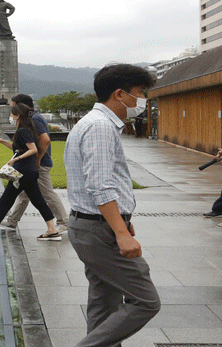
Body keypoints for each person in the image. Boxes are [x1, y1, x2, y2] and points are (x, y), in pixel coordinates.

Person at [64, 63, 160, 346]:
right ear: (120, 94)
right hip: (99, 231)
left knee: (104, 303)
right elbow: (100, 185)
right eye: (140, 93)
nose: (142, 101)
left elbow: (103, 183)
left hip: (93, 225)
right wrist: (120, 232)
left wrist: (122, 219)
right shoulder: (100, 127)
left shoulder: (94, 124)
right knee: (145, 300)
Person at [0, 103, 61, 241]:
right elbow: (19, 148)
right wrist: (1, 141)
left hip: (22, 174)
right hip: (29, 172)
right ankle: (52, 229)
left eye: (12, 114)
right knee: (38, 201)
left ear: (17, 116)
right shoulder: (28, 129)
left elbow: (33, 149)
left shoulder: (22, 131)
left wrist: (15, 160)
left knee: (5, 200)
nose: (10, 116)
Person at [0, 94, 69, 232]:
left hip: (39, 164)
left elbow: (45, 140)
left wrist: (37, 159)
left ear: (21, 106)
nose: (13, 111)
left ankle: (64, 221)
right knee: (23, 193)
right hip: (31, 164)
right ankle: (12, 221)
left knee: (47, 193)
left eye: (14, 106)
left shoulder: (35, 119)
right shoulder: (31, 118)